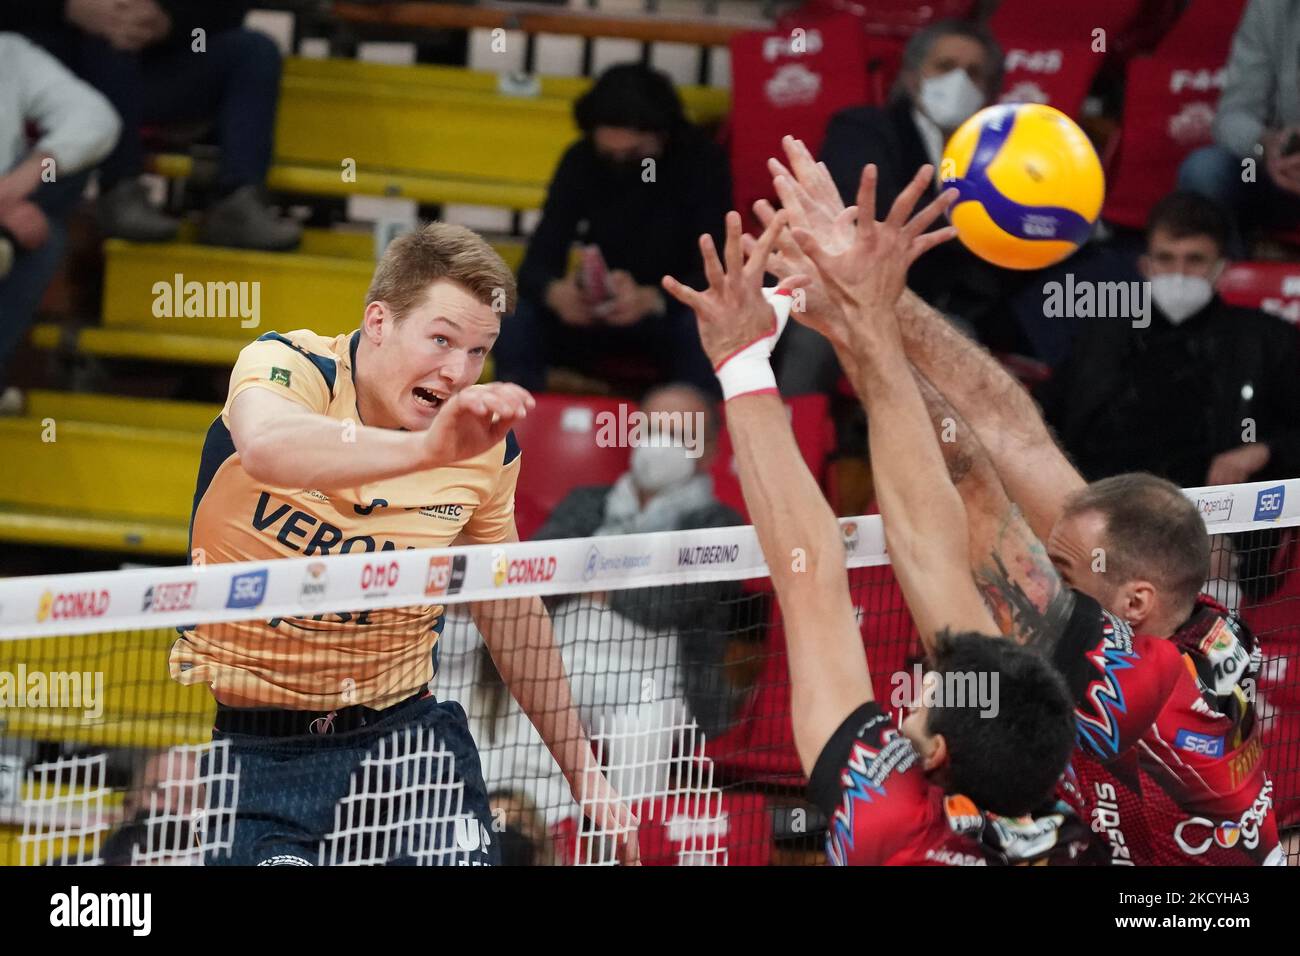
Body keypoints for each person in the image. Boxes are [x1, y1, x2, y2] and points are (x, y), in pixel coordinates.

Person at [758, 137, 1283, 864]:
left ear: (1132, 605)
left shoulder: (1148, 692)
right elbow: (1008, 440)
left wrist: (865, 313)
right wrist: (868, 309)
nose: (1040, 577)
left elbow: (972, 512)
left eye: (1061, 577)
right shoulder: (1178, 616)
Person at [169, 222, 637, 866]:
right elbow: (268, 447)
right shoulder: (289, 367)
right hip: (262, 757)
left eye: (478, 351)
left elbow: (510, 614)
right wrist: (423, 451)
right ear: (379, 321)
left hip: (408, 750)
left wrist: (585, 776)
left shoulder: (484, 448)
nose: (456, 372)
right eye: (441, 339)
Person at [662, 189, 1084, 866]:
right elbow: (926, 545)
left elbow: (809, 586)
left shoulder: (888, 816)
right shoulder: (1072, 833)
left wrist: (740, 360)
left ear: (938, 754)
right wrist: (866, 327)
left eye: (929, 696)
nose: (916, 686)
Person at [778, 18, 1011, 395]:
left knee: (961, 347)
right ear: (912, 75)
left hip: (939, 304)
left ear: (989, 90)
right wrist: (976, 230)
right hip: (847, 293)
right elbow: (873, 209)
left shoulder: (1002, 157)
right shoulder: (862, 127)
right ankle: (789, 441)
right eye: (946, 67)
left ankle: (924, 454)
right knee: (813, 336)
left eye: (974, 73)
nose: (960, 82)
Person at [494, 63, 731, 395]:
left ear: (663, 135)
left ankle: (687, 433)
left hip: (667, 314)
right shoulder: (582, 159)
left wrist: (653, 299)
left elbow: (714, 271)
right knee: (516, 319)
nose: (621, 164)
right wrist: (558, 293)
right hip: (594, 314)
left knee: (703, 327)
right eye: (610, 155)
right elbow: (538, 261)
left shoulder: (702, 163)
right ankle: (516, 429)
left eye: (634, 155)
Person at [1039, 191, 1300, 489]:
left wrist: (1263, 452)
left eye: (1195, 260)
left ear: (1221, 269)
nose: (1179, 273)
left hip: (1208, 517)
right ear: (1146, 266)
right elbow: (1043, 415)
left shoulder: (1264, 340)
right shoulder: (1102, 335)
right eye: (1166, 259)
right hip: (1097, 500)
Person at [532, 382, 744, 738]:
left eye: (678, 435)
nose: (660, 445)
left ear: (708, 451)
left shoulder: (719, 524)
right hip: (559, 670)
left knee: (642, 725)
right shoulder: (586, 502)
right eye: (652, 430)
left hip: (656, 688)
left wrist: (588, 577)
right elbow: (541, 572)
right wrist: (625, 581)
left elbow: (663, 605)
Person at [11, 0, 300, 250]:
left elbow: (229, 10)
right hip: (57, 73)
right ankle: (119, 189)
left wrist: (168, 21)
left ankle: (237, 201)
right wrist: (68, 9)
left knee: (255, 49)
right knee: (106, 39)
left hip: (154, 66)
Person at [0, 31, 120, 412]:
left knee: (42, 235)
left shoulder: (9, 52)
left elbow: (96, 119)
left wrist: (25, 178)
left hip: (7, 207)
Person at [1177, 0, 1300, 252]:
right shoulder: (1270, 7)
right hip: (1281, 173)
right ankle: (1232, 286)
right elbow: (1233, 114)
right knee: (1206, 170)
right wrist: (1266, 144)